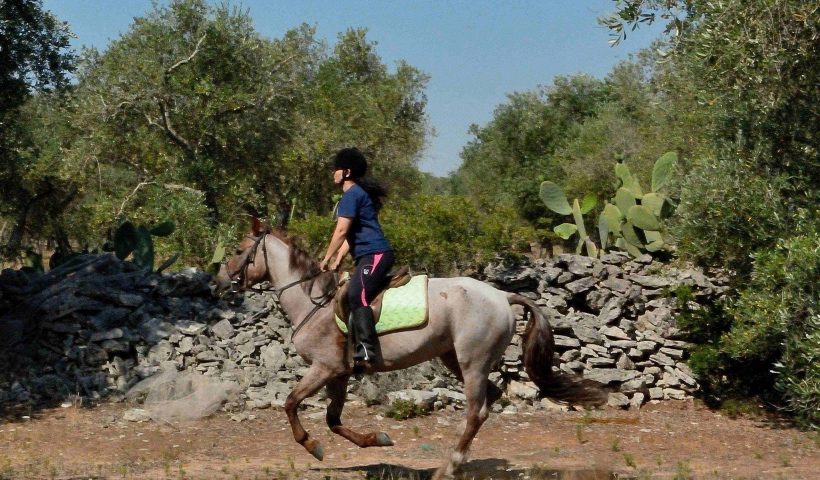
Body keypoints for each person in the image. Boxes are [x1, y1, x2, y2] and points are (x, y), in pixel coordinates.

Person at [319, 147, 394, 369]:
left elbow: (341, 231)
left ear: (347, 172)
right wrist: (339, 257)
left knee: (356, 294)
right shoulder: (355, 195)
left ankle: (368, 348)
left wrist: (326, 257)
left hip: (376, 254)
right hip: (366, 255)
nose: (333, 173)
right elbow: (351, 235)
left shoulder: (352, 195)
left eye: (336, 169)